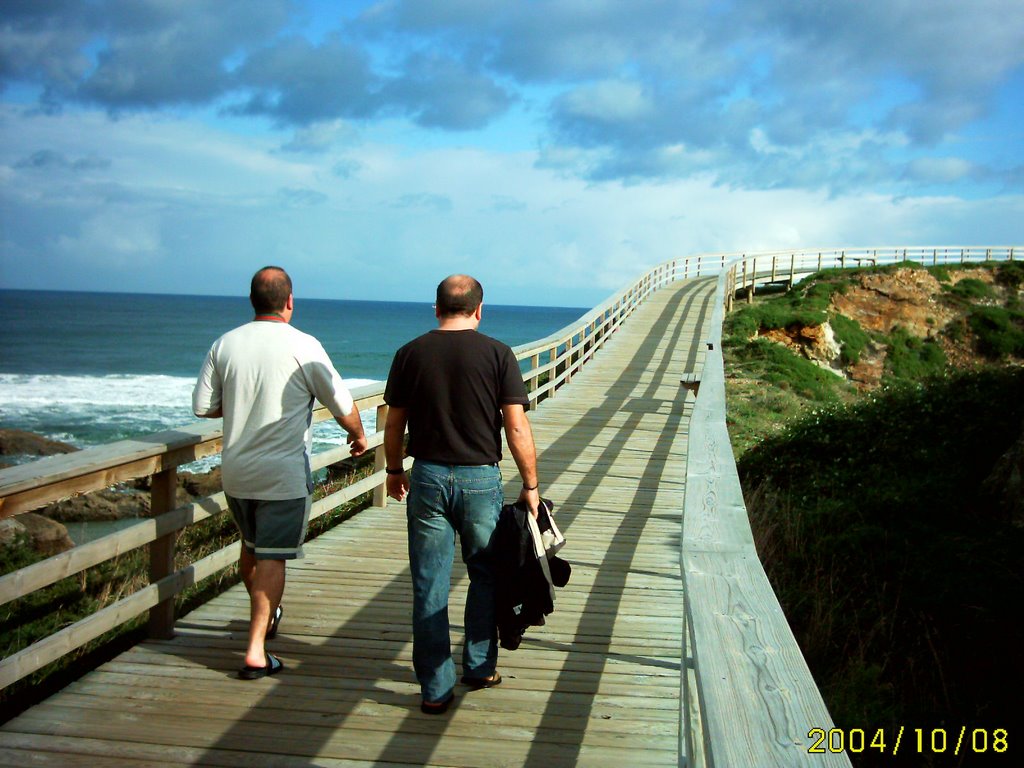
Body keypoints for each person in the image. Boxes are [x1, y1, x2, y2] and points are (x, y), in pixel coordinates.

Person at [193, 266, 367, 680]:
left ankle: (264, 619)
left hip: (236, 472)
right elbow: (341, 403)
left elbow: (202, 406)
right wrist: (358, 436)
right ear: (290, 302)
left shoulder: (226, 343)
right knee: (271, 556)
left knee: (251, 548)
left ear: (253, 300)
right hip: (282, 475)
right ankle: (255, 650)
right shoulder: (303, 346)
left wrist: (238, 402)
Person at [383, 274, 541, 714]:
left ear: (435, 308)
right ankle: (478, 665)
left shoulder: (409, 353)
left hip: (428, 476)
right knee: (485, 574)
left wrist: (395, 470)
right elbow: (515, 426)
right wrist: (530, 485)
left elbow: (393, 424)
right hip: (479, 478)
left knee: (428, 583)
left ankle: (434, 688)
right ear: (479, 309)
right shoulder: (498, 354)